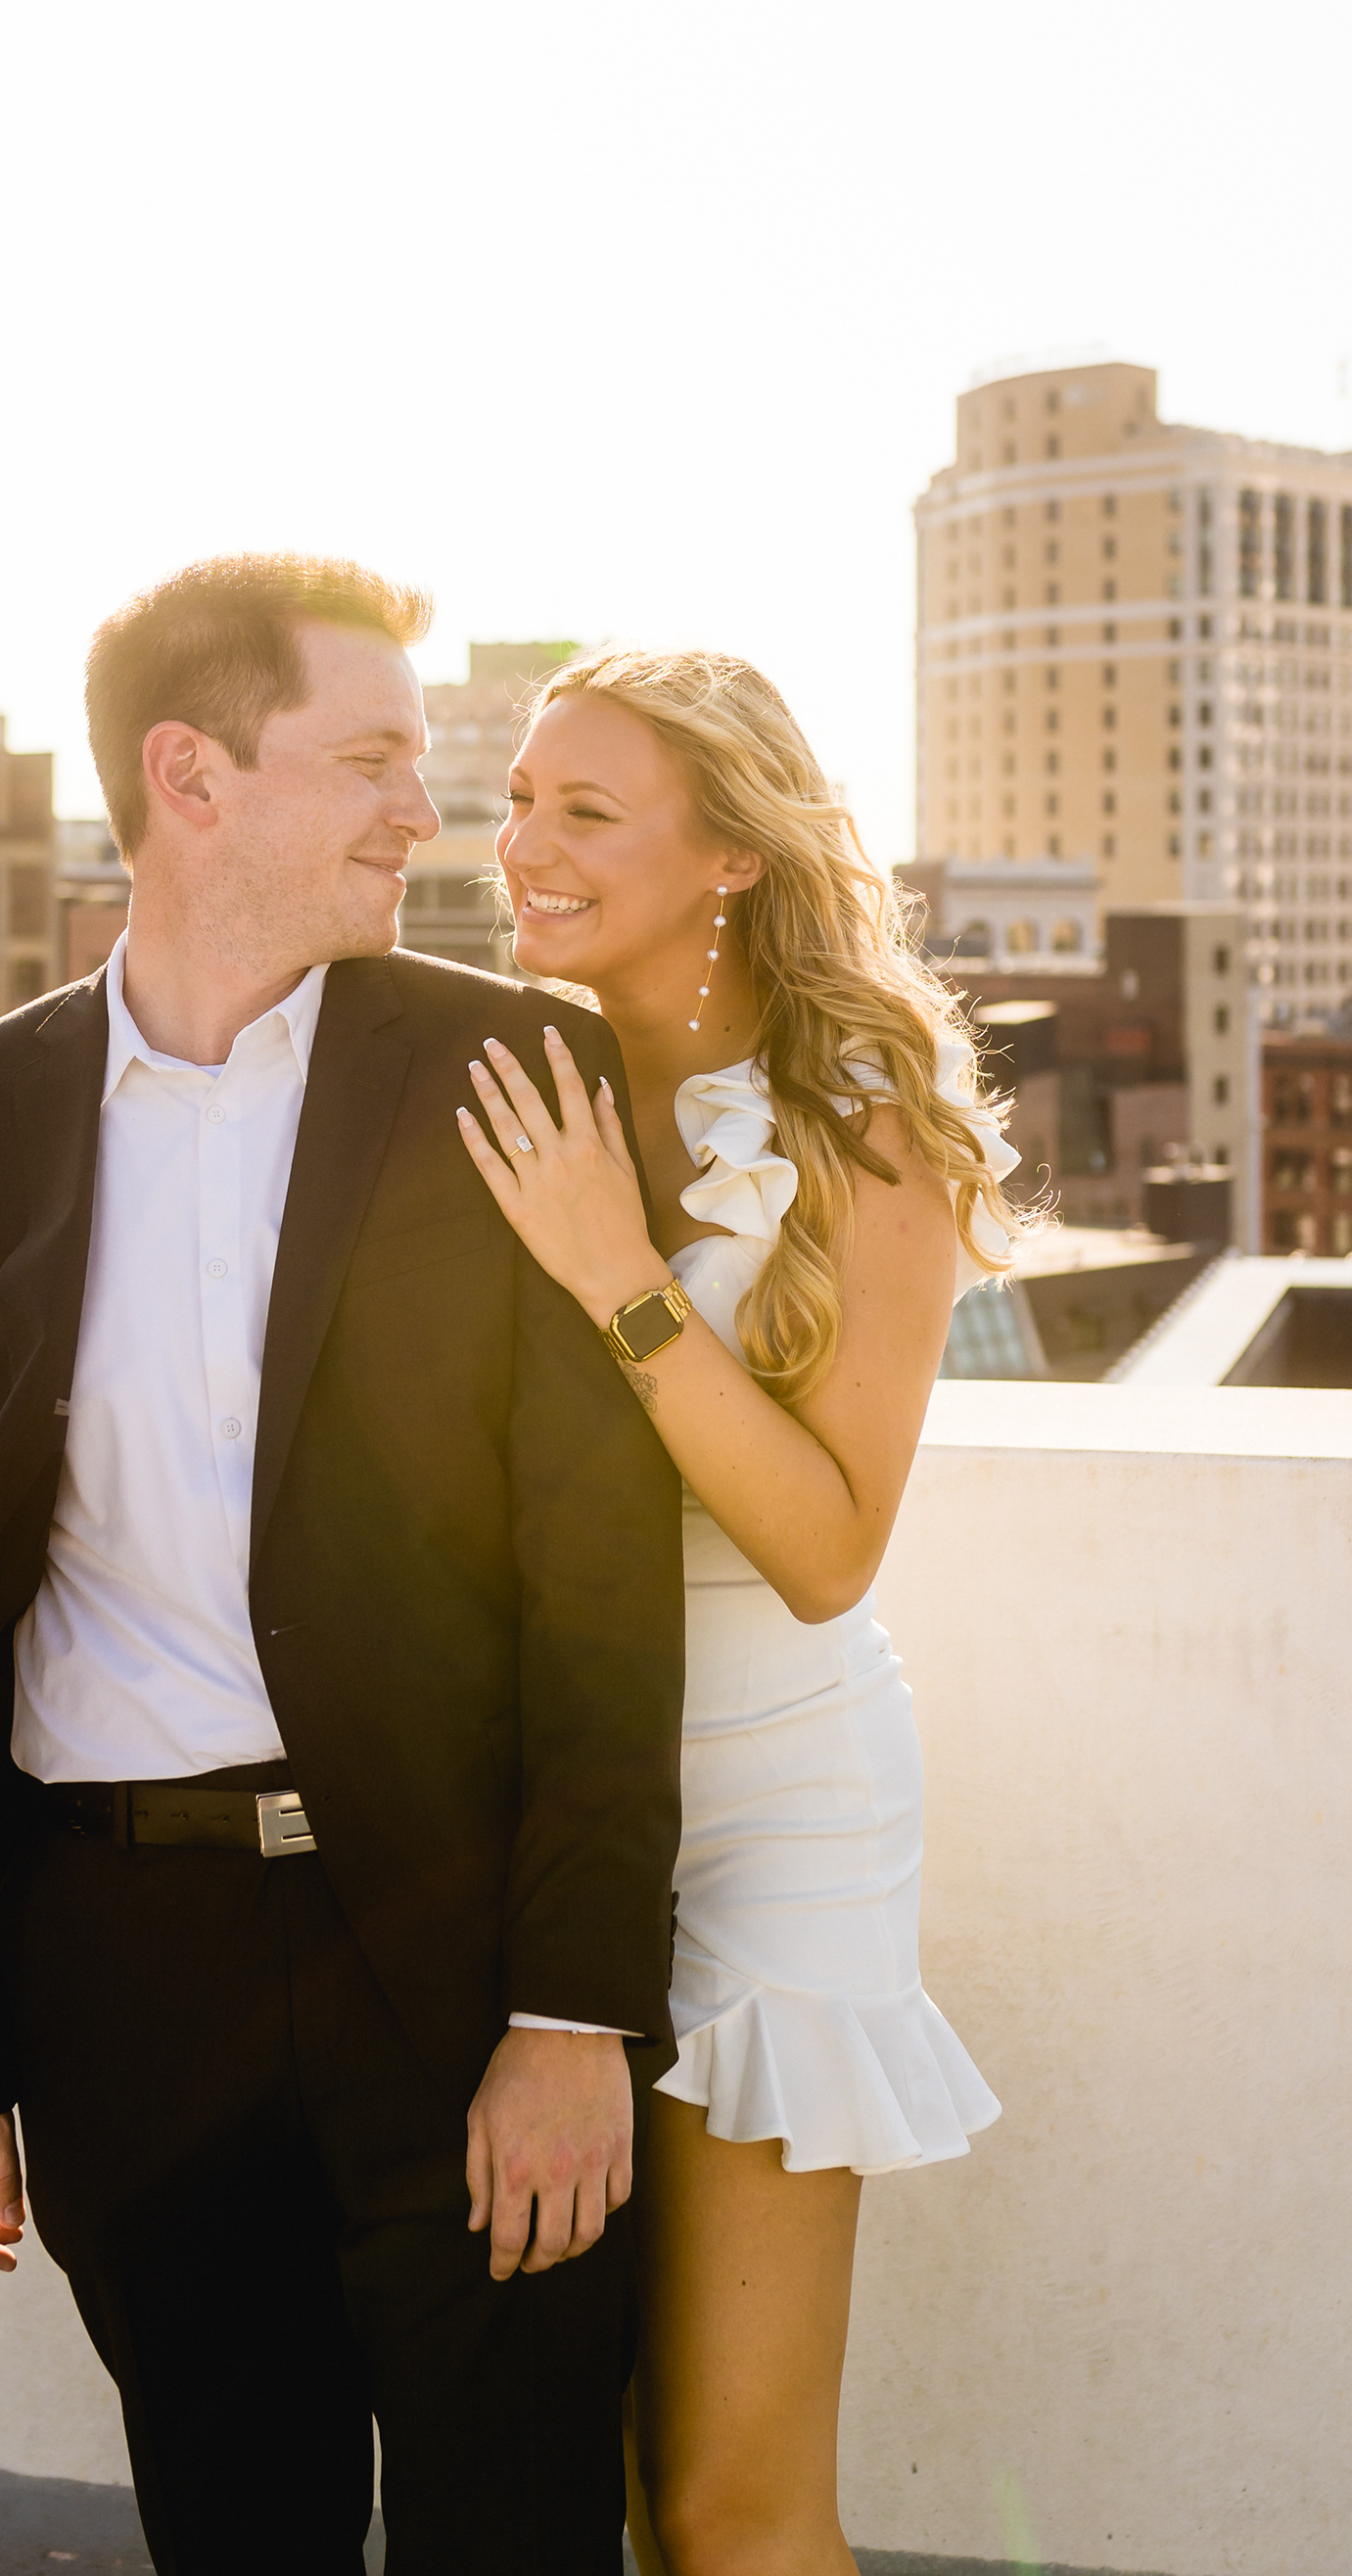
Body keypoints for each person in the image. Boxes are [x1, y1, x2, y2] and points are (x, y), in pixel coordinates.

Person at [0, 556, 688, 2576]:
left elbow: (601, 1583)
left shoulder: (516, 1073)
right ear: (190, 775)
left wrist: (576, 2013)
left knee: (520, 2538)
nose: (426, 815)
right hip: (122, 1978)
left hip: (454, 1961)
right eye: (373, 760)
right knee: (233, 2535)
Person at [454, 647, 1017, 2576]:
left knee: (724, 2500)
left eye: (584, 811)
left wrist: (617, 1273)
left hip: (780, 1813)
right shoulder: (496, 1068)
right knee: (591, 2458)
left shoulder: (866, 1116)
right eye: (518, 800)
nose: (521, 847)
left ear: (730, 856)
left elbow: (830, 1545)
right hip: (542, 1808)